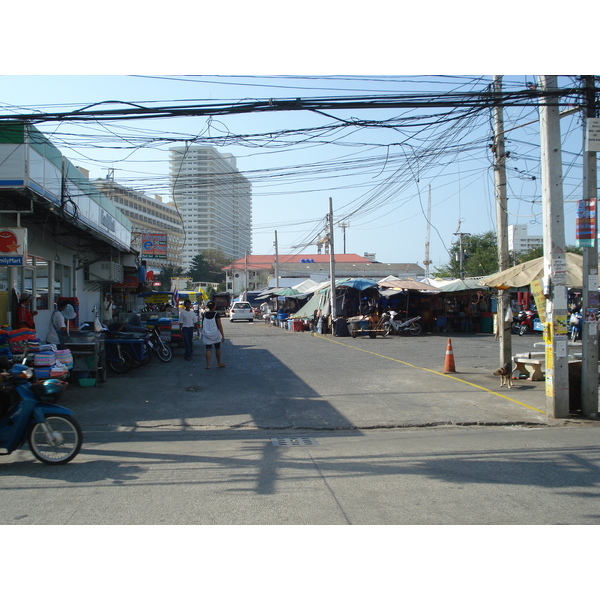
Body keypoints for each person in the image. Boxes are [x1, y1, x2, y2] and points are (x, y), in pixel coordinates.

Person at [201, 300, 226, 369]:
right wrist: (223, 335)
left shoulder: (204, 314)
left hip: (207, 334)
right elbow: (219, 325)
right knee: (217, 348)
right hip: (215, 334)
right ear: (214, 306)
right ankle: (218, 363)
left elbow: (203, 324)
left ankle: (208, 365)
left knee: (208, 349)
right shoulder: (216, 314)